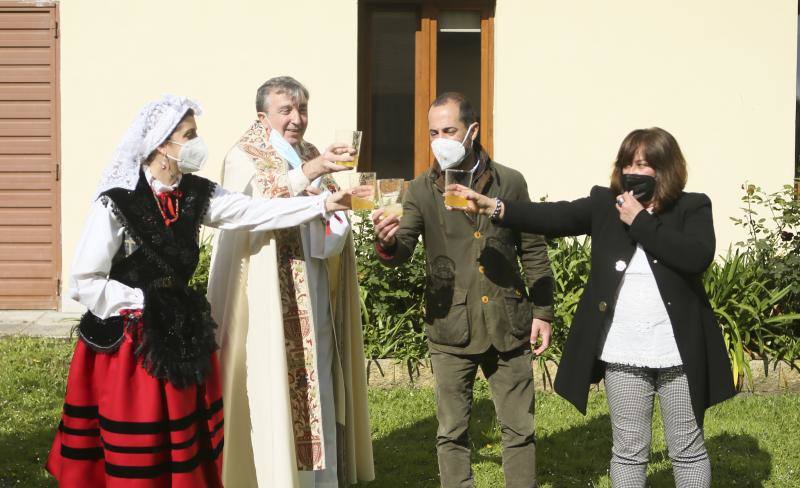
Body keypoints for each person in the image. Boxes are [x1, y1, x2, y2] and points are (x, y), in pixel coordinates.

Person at [46, 94, 356, 487]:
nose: (197, 143)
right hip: (129, 342)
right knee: (137, 439)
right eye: (189, 135)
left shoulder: (193, 193)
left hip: (181, 332)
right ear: (162, 143)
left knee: (183, 441)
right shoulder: (118, 202)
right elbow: (84, 280)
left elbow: (253, 211)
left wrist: (324, 205)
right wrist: (141, 302)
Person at [447, 127, 737, 487]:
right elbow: (554, 216)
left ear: (666, 169)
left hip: (678, 353)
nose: (634, 172)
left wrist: (641, 221)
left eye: (644, 165)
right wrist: (495, 206)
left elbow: (696, 257)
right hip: (624, 351)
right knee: (629, 450)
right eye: (628, 163)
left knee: (687, 449)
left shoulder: (693, 207)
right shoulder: (606, 204)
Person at [372, 92, 554, 488]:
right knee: (452, 431)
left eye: (449, 130)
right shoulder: (420, 189)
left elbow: (533, 248)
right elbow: (402, 247)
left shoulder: (510, 181)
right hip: (451, 324)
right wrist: (386, 243)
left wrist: (543, 312)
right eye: (433, 132)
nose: (440, 140)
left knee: (519, 429)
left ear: (471, 131)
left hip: (508, 322)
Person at [207, 76, 374, 487]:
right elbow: (259, 204)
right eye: (286, 110)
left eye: (302, 110)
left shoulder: (310, 151)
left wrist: (349, 206)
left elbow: (331, 204)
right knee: (275, 387)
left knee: (317, 379)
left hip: (313, 284)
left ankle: (320, 479)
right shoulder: (244, 155)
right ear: (263, 116)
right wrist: (313, 172)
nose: (297, 119)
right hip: (266, 297)